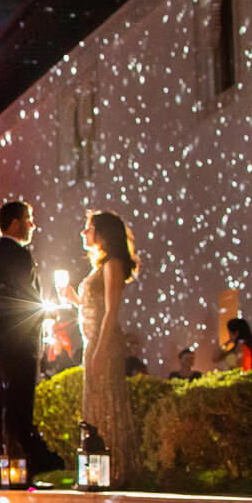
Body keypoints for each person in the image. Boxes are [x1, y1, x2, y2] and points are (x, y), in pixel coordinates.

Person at [60, 208, 140, 485]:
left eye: (89, 228)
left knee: (107, 402)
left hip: (103, 343)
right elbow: (93, 307)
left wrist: (100, 349)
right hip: (93, 341)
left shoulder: (112, 265)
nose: (84, 233)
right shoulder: (101, 266)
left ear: (103, 235)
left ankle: (112, 469)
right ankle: (95, 471)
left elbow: (111, 311)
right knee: (95, 402)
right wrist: (74, 299)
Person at [0, 200, 61, 480]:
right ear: (15, 223)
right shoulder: (18, 255)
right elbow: (26, 297)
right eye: (29, 219)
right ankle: (23, 463)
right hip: (19, 339)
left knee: (7, 405)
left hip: (3, 339)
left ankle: (8, 463)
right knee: (19, 404)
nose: (32, 225)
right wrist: (43, 314)